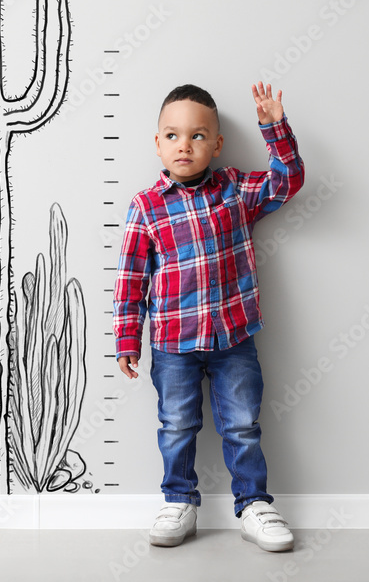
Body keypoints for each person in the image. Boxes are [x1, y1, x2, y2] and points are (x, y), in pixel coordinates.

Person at [112, 81, 305, 551]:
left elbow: (288, 180)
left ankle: (254, 504)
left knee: (242, 424)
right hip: (174, 344)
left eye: (198, 136)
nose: (185, 145)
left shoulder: (237, 190)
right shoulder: (147, 206)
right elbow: (131, 280)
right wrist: (126, 339)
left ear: (216, 144)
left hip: (233, 339)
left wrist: (273, 125)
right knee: (176, 424)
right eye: (173, 135)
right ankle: (179, 500)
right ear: (158, 143)